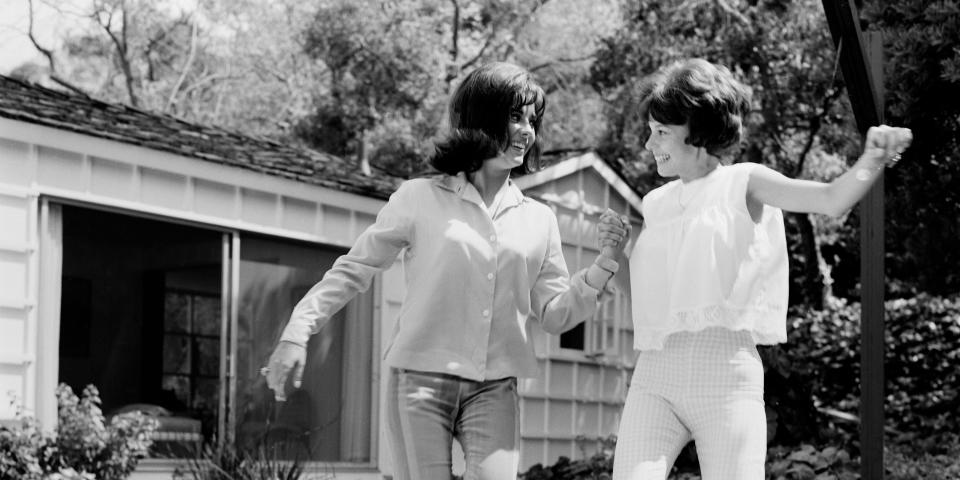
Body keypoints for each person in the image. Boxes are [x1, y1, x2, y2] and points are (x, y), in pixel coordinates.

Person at [262, 62, 630, 480]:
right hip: (420, 381)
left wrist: (604, 264)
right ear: (480, 119)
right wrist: (297, 331)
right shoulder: (419, 198)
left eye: (532, 120)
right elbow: (354, 269)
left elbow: (556, 314)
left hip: (496, 386)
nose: (527, 131)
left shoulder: (539, 220)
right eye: (514, 117)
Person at [609, 58, 913, 480]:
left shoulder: (744, 182)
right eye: (650, 131)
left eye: (661, 132)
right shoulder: (656, 204)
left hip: (726, 378)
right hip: (655, 375)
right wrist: (619, 255)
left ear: (698, 133)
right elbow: (646, 300)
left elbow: (828, 199)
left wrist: (872, 160)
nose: (648, 144)